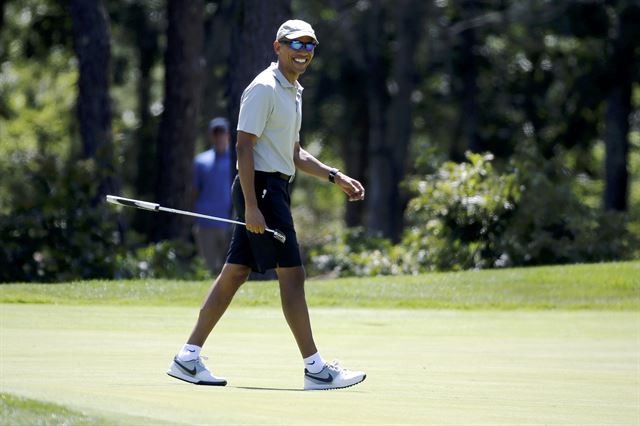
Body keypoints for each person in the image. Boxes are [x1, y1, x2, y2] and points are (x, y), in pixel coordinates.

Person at [167, 19, 366, 390]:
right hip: (260, 190)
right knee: (292, 274)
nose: (304, 51)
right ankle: (315, 368)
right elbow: (243, 146)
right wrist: (251, 207)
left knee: (235, 273)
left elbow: (293, 152)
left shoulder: (293, 90)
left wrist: (335, 176)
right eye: (296, 44)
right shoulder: (263, 88)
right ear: (278, 47)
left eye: (310, 45)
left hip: (271, 188)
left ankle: (187, 357)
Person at [192, 117, 233, 275]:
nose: (219, 137)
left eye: (222, 133)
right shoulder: (201, 161)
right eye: (216, 134)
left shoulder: (236, 159)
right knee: (211, 268)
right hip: (205, 223)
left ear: (228, 135)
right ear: (211, 136)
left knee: (230, 269)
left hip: (229, 222)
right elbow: (194, 191)